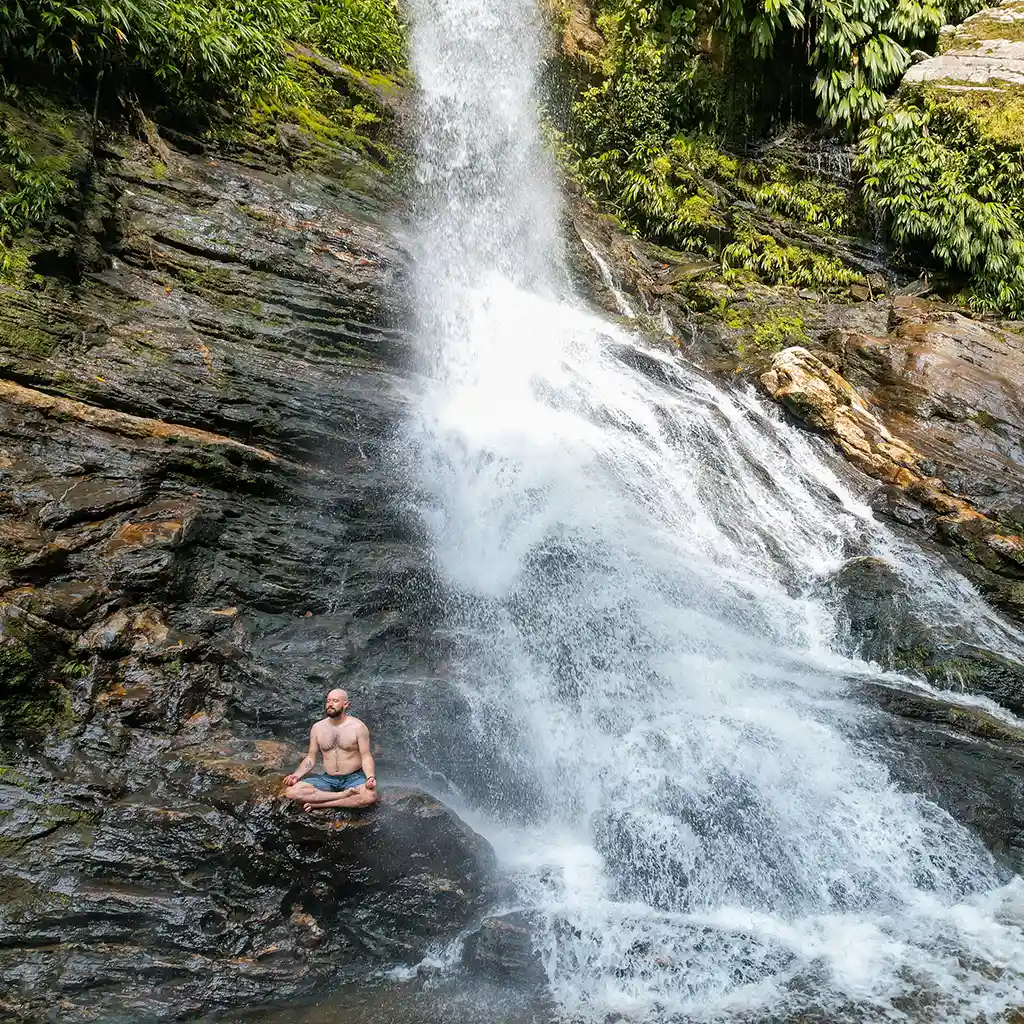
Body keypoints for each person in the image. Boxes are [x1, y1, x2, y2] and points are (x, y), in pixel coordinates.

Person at [282, 689, 378, 811]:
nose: (330, 704)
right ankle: (340, 795)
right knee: (292, 792)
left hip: (353, 778)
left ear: (345, 704)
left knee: (370, 796)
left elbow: (366, 756)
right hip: (328, 779)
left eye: (335, 701)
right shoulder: (317, 728)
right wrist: (296, 775)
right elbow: (311, 758)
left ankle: (321, 804)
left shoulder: (358, 727)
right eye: (328, 701)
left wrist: (370, 777)